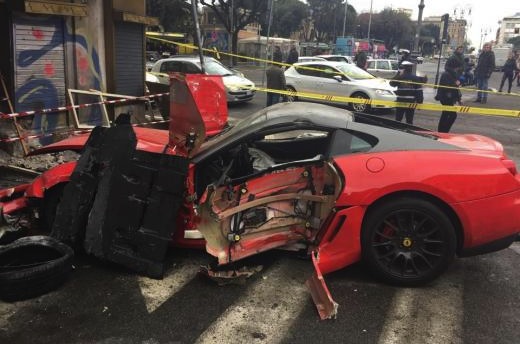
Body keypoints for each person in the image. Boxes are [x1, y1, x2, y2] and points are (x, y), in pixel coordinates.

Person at [435, 66, 462, 133]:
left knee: (445, 113)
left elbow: (456, 89)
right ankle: (444, 131)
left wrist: (459, 99)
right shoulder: (446, 74)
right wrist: (456, 84)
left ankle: (441, 131)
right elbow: (447, 87)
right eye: (457, 67)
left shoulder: (453, 74)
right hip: (446, 98)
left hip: (449, 97)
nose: (458, 69)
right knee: (452, 115)